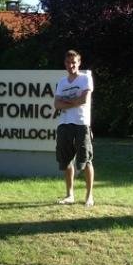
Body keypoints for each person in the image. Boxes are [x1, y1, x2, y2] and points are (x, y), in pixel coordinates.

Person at [54, 49, 94, 207]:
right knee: (66, 160)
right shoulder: (62, 82)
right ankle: (69, 195)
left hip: (81, 123)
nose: (71, 65)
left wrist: (67, 101)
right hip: (64, 124)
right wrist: (73, 100)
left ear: (79, 63)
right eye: (68, 62)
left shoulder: (85, 79)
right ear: (65, 63)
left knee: (86, 160)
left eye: (74, 62)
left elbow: (84, 100)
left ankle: (89, 196)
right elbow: (56, 104)